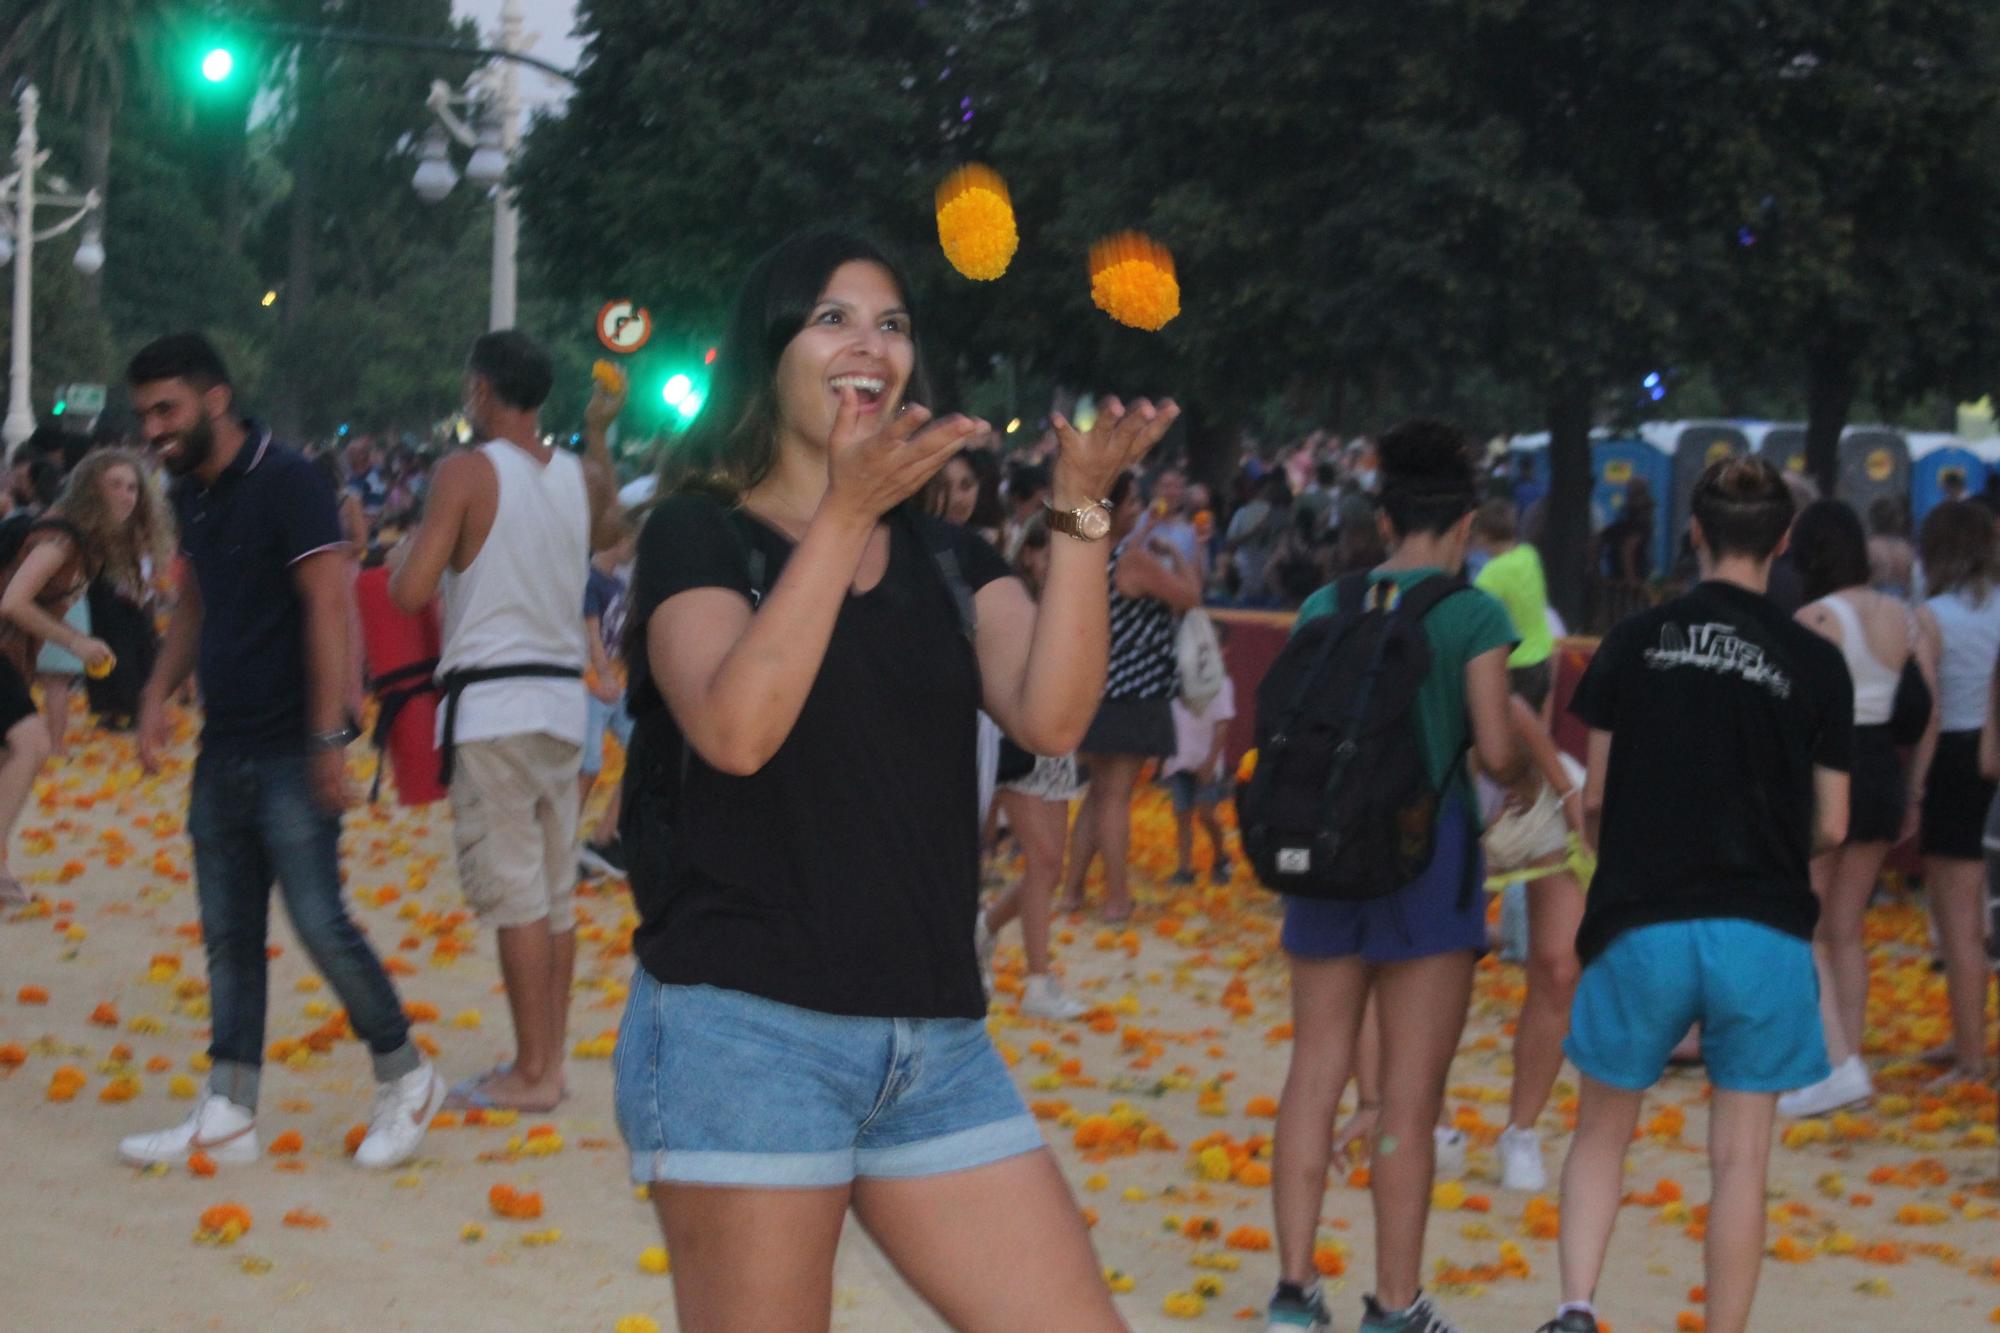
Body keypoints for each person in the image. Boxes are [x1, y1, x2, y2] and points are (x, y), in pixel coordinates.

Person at [613, 229, 1177, 1331]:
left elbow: (1052, 714)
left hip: (934, 1043)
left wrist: (1081, 507)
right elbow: (735, 728)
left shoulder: (948, 560)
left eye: (892, 324)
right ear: (765, 357)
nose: (868, 345)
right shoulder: (696, 537)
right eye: (831, 318)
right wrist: (845, 511)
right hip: (745, 1033)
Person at [117, 332, 442, 1170]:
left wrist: (330, 734)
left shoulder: (289, 479)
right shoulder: (191, 488)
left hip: (293, 744)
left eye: (167, 409)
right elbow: (193, 603)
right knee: (227, 934)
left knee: (318, 919)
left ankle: (406, 1074)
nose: (152, 428)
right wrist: (156, 692)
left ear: (215, 399)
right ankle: (228, 1108)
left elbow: (330, 604)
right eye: (143, 413)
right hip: (223, 743)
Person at [1540, 456, 1851, 1333]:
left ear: (1694, 531)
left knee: (1603, 1127)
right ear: (1783, 541)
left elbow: (1594, 800)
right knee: (1741, 1157)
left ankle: (1575, 1306)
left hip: (1643, 916)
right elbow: (1833, 821)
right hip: (1761, 924)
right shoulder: (1814, 660)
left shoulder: (1634, 641)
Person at [1266, 419, 1532, 1333]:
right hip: (1427, 866)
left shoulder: (1323, 608)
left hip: (1323, 859)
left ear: (1385, 522)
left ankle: (1295, 1294)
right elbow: (1496, 754)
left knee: (1314, 1070)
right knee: (1409, 1105)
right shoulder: (1473, 614)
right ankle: (1392, 1304)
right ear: (1463, 528)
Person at [388, 331, 624, 1114]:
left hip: (492, 704)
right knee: (554, 894)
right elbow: (611, 531)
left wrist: (400, 558)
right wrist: (597, 436)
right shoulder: (578, 477)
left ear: (482, 389)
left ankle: (529, 1070)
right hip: (562, 699)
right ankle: (547, 1060)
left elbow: (413, 589)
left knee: (516, 891)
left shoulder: (465, 470)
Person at [1780, 501, 1938, 1118]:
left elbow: (1795, 711)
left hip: (1829, 769)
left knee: (1805, 922)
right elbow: (1927, 714)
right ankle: (1851, 1059)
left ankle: (1834, 1063)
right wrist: (1915, 791)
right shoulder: (1905, 616)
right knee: (1847, 927)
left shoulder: (1815, 616)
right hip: (1883, 770)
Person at [1058, 469, 1202, 921]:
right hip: (1136, 690)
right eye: (1133, 501)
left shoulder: (1086, 554)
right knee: (1116, 796)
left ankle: (1072, 892)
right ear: (1113, 510)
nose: (1140, 507)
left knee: (1098, 795)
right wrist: (1177, 555)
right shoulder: (1133, 560)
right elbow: (1190, 597)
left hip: (1098, 687)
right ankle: (1116, 897)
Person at [979, 516, 1089, 1021]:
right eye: (1045, 552)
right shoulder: (1010, 599)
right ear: (1029, 555)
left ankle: (985, 926)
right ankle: (1038, 981)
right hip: (1015, 737)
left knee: (1050, 865)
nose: (1051, 561)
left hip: (1055, 744)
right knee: (1043, 860)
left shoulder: (1071, 599)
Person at [1, 449, 172, 756]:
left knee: (24, 750)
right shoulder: (61, 537)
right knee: (29, 748)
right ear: (90, 491)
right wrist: (76, 642)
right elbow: (14, 602)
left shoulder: (85, 540)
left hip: (13, 660)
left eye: (132, 487)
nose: (126, 495)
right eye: (115, 485)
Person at [1910, 500, 2000, 1085]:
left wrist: (1915, 788)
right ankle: (1964, 1039)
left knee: (1958, 918)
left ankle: (1970, 1053)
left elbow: (1928, 712)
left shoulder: (1931, 616)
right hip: (1996, 754)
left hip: (1954, 761)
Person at [578, 517, 637, 878]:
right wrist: (600, 674)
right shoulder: (591, 580)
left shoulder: (616, 582)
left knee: (640, 754)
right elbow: (592, 633)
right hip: (592, 683)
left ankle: (603, 837)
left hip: (616, 681)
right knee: (588, 766)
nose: (632, 550)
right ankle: (561, 845)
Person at [1163, 634, 1236, 886]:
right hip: (1179, 758)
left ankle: (1220, 856)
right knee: (1182, 814)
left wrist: (1211, 760)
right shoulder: (1176, 681)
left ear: (1224, 650)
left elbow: (1222, 725)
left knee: (1206, 813)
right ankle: (1184, 869)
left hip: (1206, 761)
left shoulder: (1221, 684)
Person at [1865, 495, 1915, 600]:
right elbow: (1910, 584)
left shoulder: (1870, 547)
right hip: (1902, 602)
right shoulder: (1905, 548)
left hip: (1876, 602)